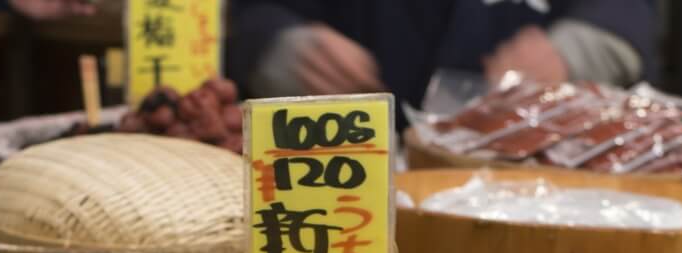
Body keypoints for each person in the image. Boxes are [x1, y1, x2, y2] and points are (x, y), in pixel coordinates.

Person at [228, 0, 658, 108]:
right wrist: (281, 46)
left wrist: (575, 51)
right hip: (347, 177)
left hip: (531, 180)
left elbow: (629, 10)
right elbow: (246, 16)